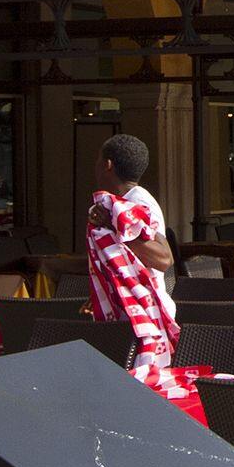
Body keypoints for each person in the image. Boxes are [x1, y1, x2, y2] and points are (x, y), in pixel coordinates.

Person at [85, 133, 177, 376]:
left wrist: (117, 227)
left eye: (98, 160)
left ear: (107, 165)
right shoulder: (120, 201)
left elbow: (163, 258)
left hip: (144, 316)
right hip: (127, 313)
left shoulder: (138, 202)